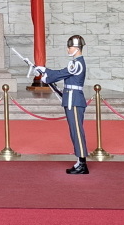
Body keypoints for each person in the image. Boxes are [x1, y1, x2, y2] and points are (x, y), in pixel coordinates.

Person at [37, 35, 90, 174]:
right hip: (71, 99)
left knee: (77, 132)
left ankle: (83, 164)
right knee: (74, 131)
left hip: (74, 100)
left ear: (77, 48)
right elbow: (63, 73)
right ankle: (79, 161)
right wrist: (45, 70)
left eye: (70, 47)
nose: (68, 49)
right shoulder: (75, 63)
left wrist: (47, 76)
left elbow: (62, 74)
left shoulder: (76, 63)